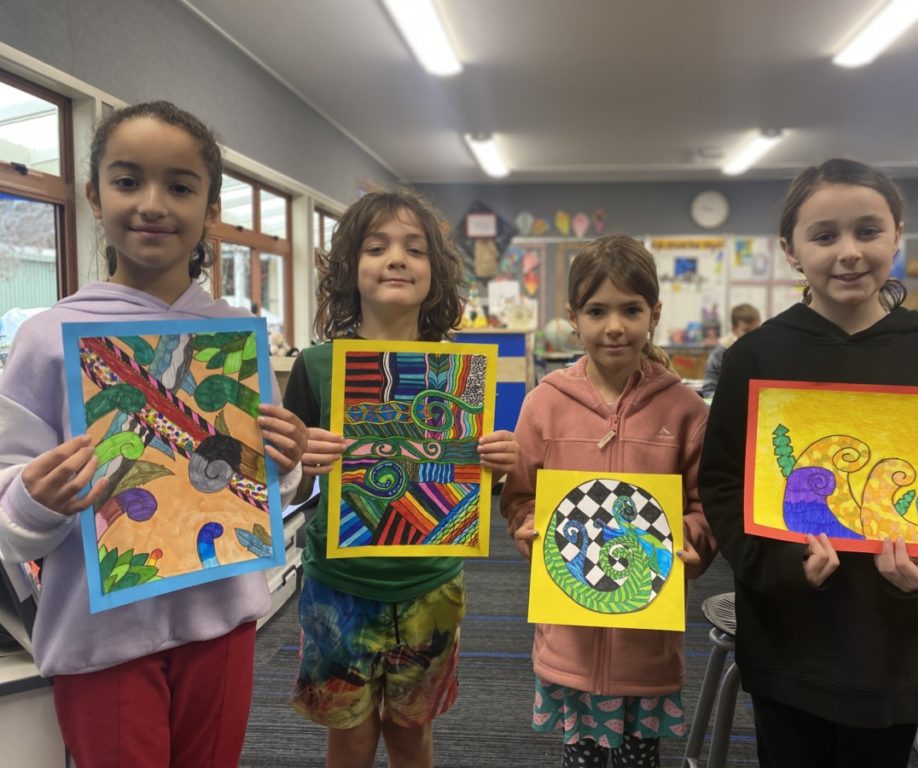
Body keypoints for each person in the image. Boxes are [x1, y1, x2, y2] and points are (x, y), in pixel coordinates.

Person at [0, 101, 307, 767]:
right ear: (93, 196)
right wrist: (34, 498)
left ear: (210, 208)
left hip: (221, 621)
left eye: (180, 186)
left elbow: (260, 485)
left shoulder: (231, 337)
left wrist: (285, 462)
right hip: (101, 635)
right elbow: (9, 513)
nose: (152, 204)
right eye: (128, 180)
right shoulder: (48, 339)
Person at [698, 158, 918, 767]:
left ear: (897, 236)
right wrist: (778, 563)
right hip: (789, 637)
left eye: (868, 231)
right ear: (791, 251)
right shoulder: (757, 357)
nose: (849, 252)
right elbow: (721, 483)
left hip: (893, 646)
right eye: (825, 235)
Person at [284, 189, 519, 768]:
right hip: (339, 584)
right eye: (376, 247)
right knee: (349, 734)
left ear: (435, 274)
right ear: (349, 269)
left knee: (412, 731)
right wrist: (298, 460)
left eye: (415, 249)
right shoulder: (316, 366)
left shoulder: (459, 372)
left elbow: (467, 485)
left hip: (430, 585)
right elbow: (290, 488)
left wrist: (495, 465)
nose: (396, 259)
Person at [500, 234, 717, 768]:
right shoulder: (544, 404)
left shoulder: (685, 410)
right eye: (597, 311)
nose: (614, 326)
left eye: (630, 310)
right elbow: (521, 496)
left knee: (641, 758)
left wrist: (693, 542)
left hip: (646, 640)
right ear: (573, 318)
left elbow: (703, 506)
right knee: (581, 756)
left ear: (654, 315)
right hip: (570, 633)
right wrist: (527, 526)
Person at [700, 303, 761, 398]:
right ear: (733, 329)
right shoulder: (719, 352)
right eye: (746, 331)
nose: (752, 335)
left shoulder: (760, 351)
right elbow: (709, 389)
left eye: (757, 330)